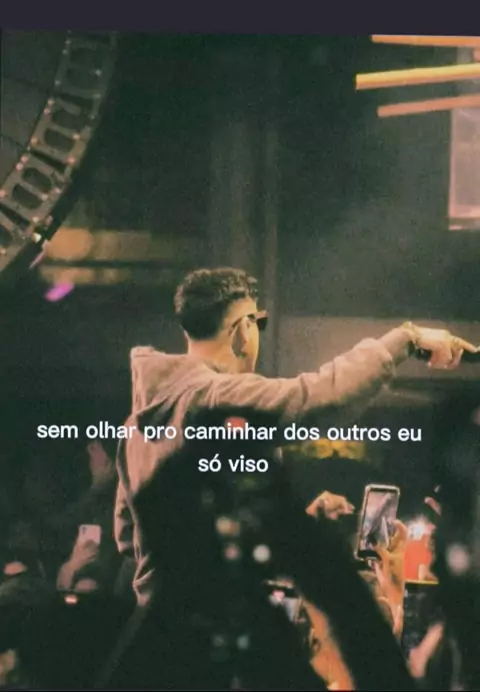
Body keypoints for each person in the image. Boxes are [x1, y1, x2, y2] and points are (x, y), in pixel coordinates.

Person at [114, 266, 477, 607]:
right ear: (243, 330)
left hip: (159, 620)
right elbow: (319, 397)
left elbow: (128, 536)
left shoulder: (137, 423)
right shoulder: (217, 397)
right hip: (210, 625)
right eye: (259, 322)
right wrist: (407, 339)